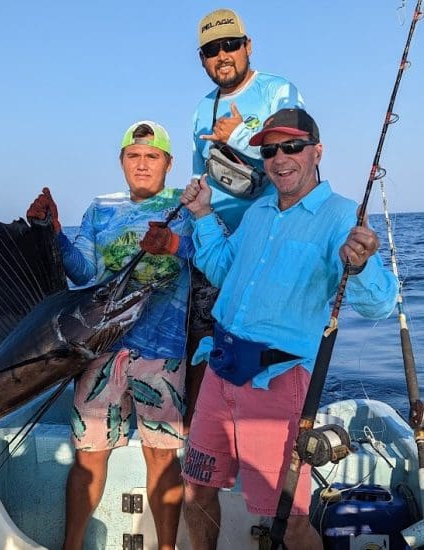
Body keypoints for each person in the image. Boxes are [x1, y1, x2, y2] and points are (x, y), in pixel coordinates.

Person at [180, 108, 398, 550]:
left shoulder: (341, 216)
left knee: (287, 518)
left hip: (277, 381)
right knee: (196, 490)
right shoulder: (259, 210)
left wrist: (362, 264)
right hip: (219, 371)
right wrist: (203, 214)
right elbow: (223, 269)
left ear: (317, 151)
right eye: (270, 150)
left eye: (293, 146)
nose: (280, 158)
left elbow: (379, 305)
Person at [26, 121, 193, 550]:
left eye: (152, 156)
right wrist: (56, 234)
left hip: (164, 353)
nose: (142, 165)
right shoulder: (101, 208)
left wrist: (175, 243)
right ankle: (72, 545)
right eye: (133, 156)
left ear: (168, 164)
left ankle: (167, 547)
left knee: (162, 456)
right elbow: (82, 271)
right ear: (121, 161)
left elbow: (210, 257)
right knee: (88, 455)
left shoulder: (188, 205)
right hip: (100, 352)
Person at [186, 8, 306, 425]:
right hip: (217, 243)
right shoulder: (202, 108)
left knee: (270, 353)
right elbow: (200, 173)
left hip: (271, 241)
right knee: (208, 344)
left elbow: (297, 152)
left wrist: (236, 136)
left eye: (230, 45)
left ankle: (269, 436)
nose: (223, 55)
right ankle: (206, 431)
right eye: (211, 50)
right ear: (202, 59)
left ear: (248, 46)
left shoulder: (278, 91)